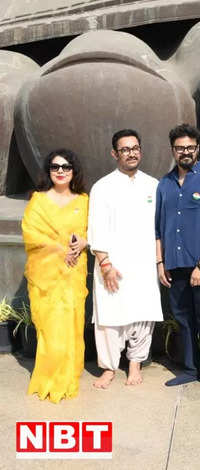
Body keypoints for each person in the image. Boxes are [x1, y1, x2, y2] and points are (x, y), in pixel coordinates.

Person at [155, 124, 200, 396]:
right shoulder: (165, 183)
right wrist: (160, 263)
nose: (185, 152)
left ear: (197, 148)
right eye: (179, 148)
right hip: (174, 265)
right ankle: (188, 369)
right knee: (182, 320)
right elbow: (158, 228)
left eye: (190, 147)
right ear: (173, 150)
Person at [88, 129, 164, 388]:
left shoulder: (154, 185)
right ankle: (109, 368)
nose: (131, 153)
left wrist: (159, 261)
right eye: (125, 149)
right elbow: (95, 228)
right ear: (114, 154)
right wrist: (105, 264)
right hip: (112, 265)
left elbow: (159, 229)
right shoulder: (102, 187)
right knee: (109, 318)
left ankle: (135, 364)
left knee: (143, 315)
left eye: (135, 148)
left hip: (143, 264)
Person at [21, 149, 89, 403]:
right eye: (55, 167)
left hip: (73, 274)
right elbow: (31, 234)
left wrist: (85, 242)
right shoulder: (38, 200)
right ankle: (48, 377)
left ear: (74, 171)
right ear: (48, 171)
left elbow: (93, 230)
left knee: (71, 325)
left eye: (66, 166)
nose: (61, 171)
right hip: (46, 277)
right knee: (50, 329)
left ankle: (68, 375)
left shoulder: (83, 201)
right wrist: (61, 250)